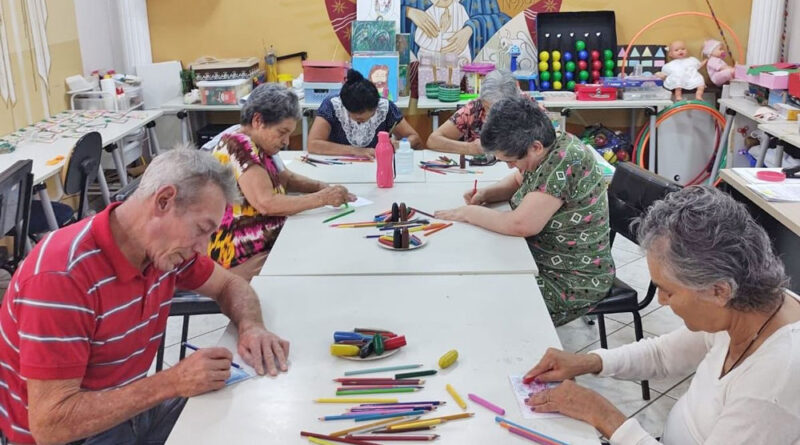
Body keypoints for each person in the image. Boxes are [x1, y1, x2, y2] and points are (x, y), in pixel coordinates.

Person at [0, 148, 290, 445]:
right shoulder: (61, 276)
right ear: (163, 201)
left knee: (244, 420)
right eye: (201, 229)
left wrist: (251, 326)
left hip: (127, 410)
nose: (202, 248)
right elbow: (51, 425)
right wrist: (172, 382)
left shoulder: (163, 250)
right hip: (75, 434)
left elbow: (230, 285)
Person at [522, 186, 800, 444]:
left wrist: (603, 415)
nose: (661, 301)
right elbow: (663, 355)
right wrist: (587, 362)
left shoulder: (774, 383)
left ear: (718, 290)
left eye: (668, 291)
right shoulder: (746, 306)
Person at [435, 96, 614, 326]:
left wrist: (467, 214)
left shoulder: (567, 160)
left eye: (510, 160)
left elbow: (520, 225)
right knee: (476, 274)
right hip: (538, 257)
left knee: (483, 304)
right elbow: (518, 180)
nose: (510, 166)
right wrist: (487, 194)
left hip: (572, 279)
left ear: (535, 147)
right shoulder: (549, 145)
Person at [208, 83, 355, 280]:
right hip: (241, 257)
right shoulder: (238, 145)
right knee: (323, 261)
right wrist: (323, 198)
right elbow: (266, 203)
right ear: (258, 121)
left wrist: (323, 187)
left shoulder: (259, 144)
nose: (286, 141)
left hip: (267, 242)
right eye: (282, 132)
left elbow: (286, 178)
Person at [308, 69, 422, 158]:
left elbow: (415, 138)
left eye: (368, 116)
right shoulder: (332, 105)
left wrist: (400, 144)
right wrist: (355, 151)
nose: (361, 120)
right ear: (345, 107)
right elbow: (313, 144)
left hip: (376, 165)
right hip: (338, 166)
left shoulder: (385, 107)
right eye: (357, 118)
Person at [426, 70, 522, 156]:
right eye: (487, 107)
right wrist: (469, 148)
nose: (491, 114)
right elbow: (433, 140)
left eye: (500, 110)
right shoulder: (474, 108)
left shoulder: (526, 109)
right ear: (482, 100)